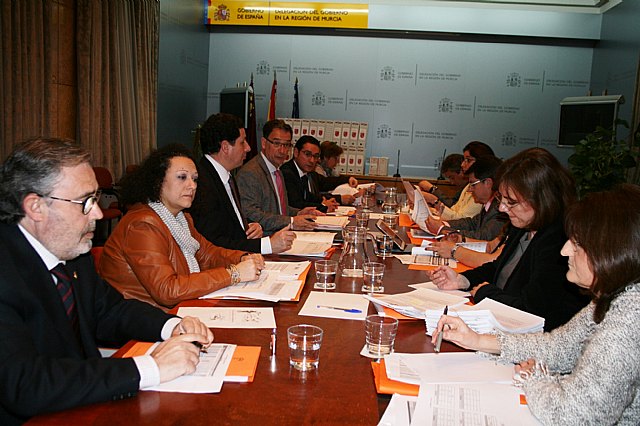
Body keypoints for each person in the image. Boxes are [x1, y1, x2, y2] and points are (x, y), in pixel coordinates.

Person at [0, 138, 213, 424]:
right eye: (85, 202)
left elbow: (110, 310)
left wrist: (172, 325)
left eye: (96, 199)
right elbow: (26, 384)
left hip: (83, 405)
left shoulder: (72, 252)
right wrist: (150, 368)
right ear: (35, 207)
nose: (99, 213)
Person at [432, 184, 640, 425]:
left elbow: (576, 416)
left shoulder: (629, 319)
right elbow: (560, 347)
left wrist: (533, 379)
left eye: (577, 244)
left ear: (611, 252)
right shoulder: (615, 298)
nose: (565, 251)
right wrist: (477, 340)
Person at [429, 148, 588, 330]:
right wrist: (462, 280)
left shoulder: (559, 241)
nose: (502, 208)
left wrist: (486, 293)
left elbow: (533, 310)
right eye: (501, 199)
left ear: (542, 199)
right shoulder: (524, 224)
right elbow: (498, 268)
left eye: (511, 202)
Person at [100, 144, 264, 312]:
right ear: (158, 181)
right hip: (144, 319)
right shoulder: (142, 225)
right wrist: (233, 274)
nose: (192, 185)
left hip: (172, 311)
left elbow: (207, 254)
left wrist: (243, 257)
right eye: (182, 177)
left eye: (194, 179)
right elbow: (168, 290)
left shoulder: (181, 218)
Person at [190, 113, 295, 254]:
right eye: (242, 142)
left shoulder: (227, 176)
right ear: (225, 147)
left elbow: (229, 225)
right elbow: (214, 243)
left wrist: (250, 226)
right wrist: (267, 245)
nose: (248, 147)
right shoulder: (201, 184)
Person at [236, 119, 321, 234]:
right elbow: (251, 214)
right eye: (276, 144)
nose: (282, 151)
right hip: (266, 239)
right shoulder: (250, 173)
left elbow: (280, 209)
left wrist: (298, 213)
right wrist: (291, 221)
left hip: (282, 236)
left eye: (286, 145)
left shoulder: (277, 170)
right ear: (264, 143)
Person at [425, 155, 509, 241]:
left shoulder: (500, 209)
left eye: (473, 184)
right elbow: (471, 223)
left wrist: (442, 229)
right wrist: (444, 224)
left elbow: (483, 237)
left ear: (488, 183)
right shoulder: (489, 204)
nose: (469, 189)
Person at [281, 135, 357, 213]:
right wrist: (323, 206)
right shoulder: (287, 173)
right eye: (307, 154)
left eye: (316, 156)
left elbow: (323, 185)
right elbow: (296, 204)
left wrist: (347, 179)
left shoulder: (308, 173)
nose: (312, 160)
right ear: (296, 153)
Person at [425, 141, 494, 220]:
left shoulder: (481, 188)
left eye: (468, 160)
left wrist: (434, 200)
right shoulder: (468, 185)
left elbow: (461, 219)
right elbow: (454, 210)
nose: (462, 164)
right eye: (464, 160)